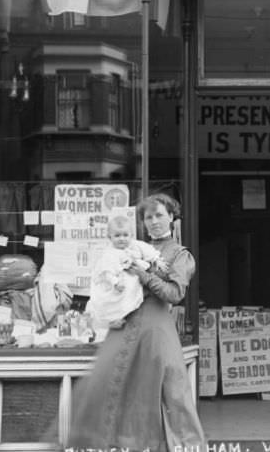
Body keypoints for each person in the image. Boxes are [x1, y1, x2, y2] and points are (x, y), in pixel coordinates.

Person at [68, 193, 206, 452]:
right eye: (148, 217)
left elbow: (175, 295)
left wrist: (143, 275)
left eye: (159, 215)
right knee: (125, 389)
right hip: (128, 324)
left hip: (156, 327)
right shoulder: (130, 246)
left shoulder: (179, 255)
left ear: (172, 217)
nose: (154, 221)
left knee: (170, 390)